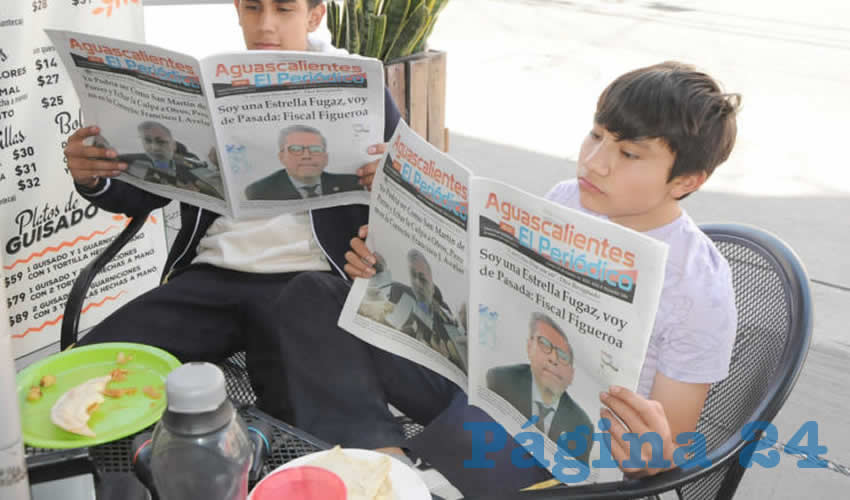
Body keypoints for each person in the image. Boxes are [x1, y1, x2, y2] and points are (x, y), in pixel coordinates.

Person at [299, 61, 741, 496]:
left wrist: (649, 456)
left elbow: (668, 449)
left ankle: (401, 476)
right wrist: (386, 267)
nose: (593, 162)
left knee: (491, 427)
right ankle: (386, 458)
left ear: (685, 181)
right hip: (477, 377)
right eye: (596, 135)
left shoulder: (699, 287)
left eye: (627, 154)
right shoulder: (568, 199)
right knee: (313, 297)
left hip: (557, 436)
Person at [63, 0, 400, 424]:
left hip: (307, 289)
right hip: (210, 279)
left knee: (293, 424)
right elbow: (145, 191)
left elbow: (404, 210)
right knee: (91, 373)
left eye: (284, 10)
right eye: (253, 8)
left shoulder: (358, 89)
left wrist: (388, 180)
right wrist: (95, 176)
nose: (266, 25)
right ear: (238, 10)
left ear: (315, 16)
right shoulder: (204, 86)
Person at [486, 312, 593, 464]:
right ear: (529, 347)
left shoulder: (582, 425)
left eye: (563, 356)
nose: (554, 359)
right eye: (545, 344)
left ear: (571, 375)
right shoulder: (500, 380)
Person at [359, 249, 465, 370]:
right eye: (413, 275)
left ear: (433, 287)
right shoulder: (397, 292)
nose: (417, 283)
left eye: (422, 278)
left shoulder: (447, 324)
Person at [244, 125, 362, 200]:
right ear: (281, 157)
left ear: (326, 158)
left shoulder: (352, 184)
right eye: (295, 149)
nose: (306, 156)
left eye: (315, 149)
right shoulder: (259, 191)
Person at [117, 121, 225, 198]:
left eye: (161, 142)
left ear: (173, 145)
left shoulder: (193, 167)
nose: (154, 147)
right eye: (147, 141)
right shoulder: (130, 164)